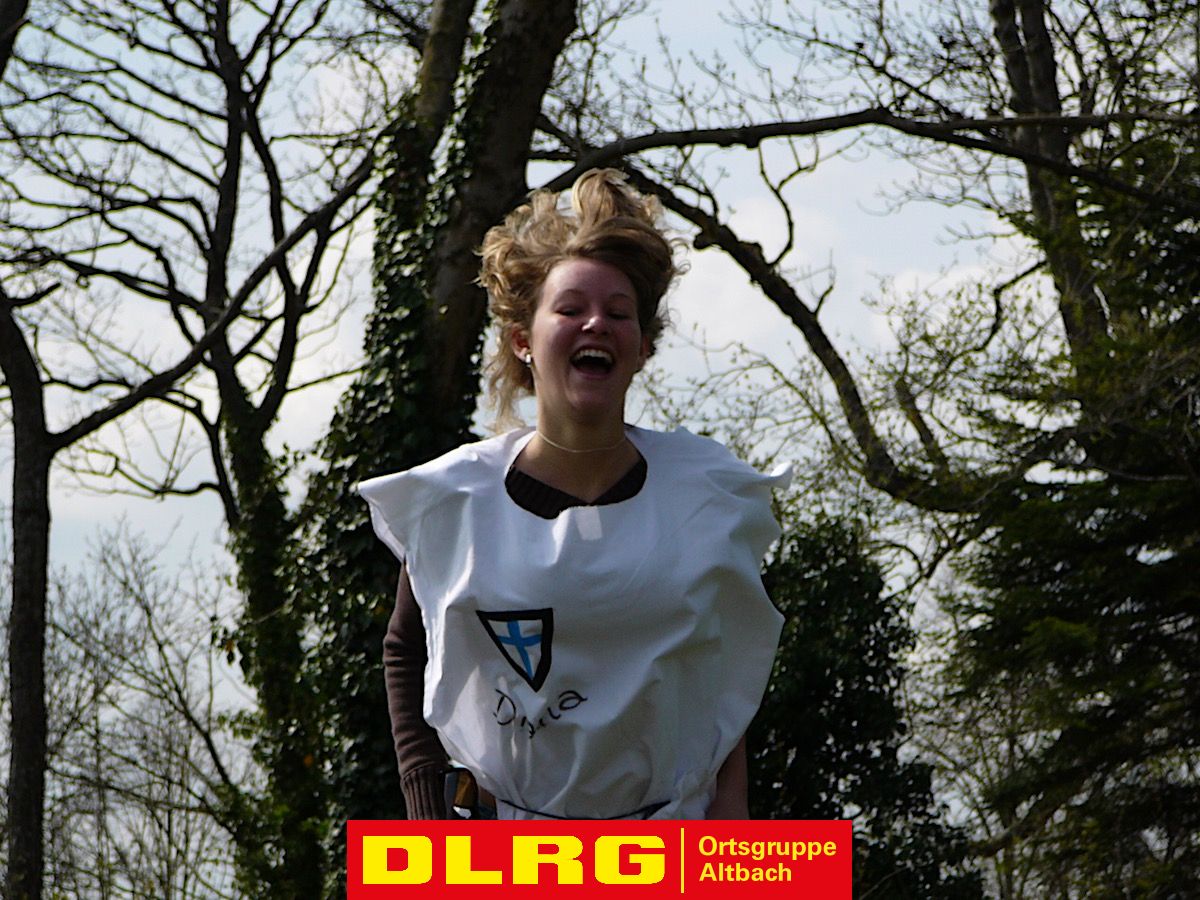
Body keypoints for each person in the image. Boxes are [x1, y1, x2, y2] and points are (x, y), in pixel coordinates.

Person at [358, 168, 789, 820]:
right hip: (503, 851)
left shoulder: (709, 494)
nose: (596, 323)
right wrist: (428, 813)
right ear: (522, 341)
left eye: (618, 313)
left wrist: (731, 829)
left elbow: (722, 672)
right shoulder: (453, 501)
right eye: (570, 309)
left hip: (674, 844)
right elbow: (405, 649)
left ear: (642, 347)